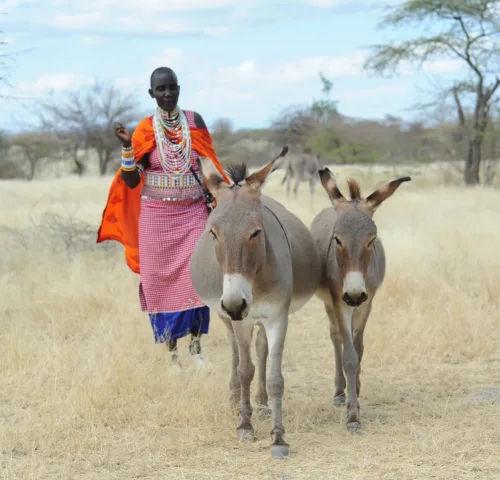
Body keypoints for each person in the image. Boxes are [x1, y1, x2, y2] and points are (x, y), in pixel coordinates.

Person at [97, 66, 230, 368]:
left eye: (172, 88)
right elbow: (132, 182)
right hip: (156, 218)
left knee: (198, 278)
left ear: (179, 89)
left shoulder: (194, 122)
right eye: (161, 89)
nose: (167, 94)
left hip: (194, 211)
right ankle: (172, 355)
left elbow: (208, 162)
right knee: (161, 282)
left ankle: (196, 348)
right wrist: (127, 147)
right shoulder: (145, 130)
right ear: (151, 93)